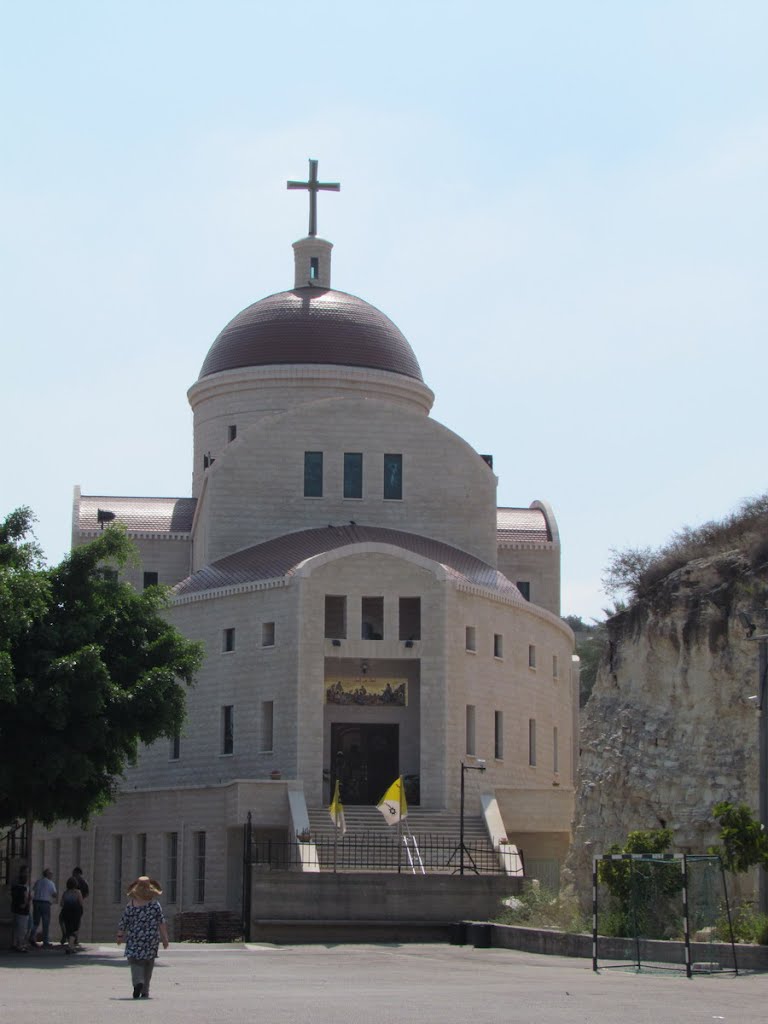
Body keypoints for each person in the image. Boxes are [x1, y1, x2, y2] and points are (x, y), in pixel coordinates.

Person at [116, 876, 170, 999]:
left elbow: (124, 922)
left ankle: (138, 982)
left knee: (135, 961)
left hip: (134, 938)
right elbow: (161, 922)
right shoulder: (155, 905)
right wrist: (165, 938)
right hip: (151, 939)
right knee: (148, 964)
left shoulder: (131, 905)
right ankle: (145, 990)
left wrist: (120, 935)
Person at [30, 868, 57, 948]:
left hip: (36, 902)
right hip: (45, 903)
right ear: (47, 874)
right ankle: (45, 942)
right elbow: (54, 894)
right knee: (45, 922)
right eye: (51, 874)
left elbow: (34, 889)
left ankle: (31, 937)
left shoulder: (38, 881)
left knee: (36, 922)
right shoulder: (50, 883)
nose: (52, 875)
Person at [59, 877, 84, 953]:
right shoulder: (78, 892)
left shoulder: (65, 893)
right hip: (75, 912)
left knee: (69, 929)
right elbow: (80, 903)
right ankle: (70, 946)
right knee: (75, 929)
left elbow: (61, 904)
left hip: (66, 912)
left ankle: (71, 946)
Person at [10, 868, 30, 952]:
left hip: (15, 910)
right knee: (22, 929)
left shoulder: (14, 888)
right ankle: (20, 946)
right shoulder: (24, 889)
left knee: (16, 928)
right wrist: (26, 903)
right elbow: (26, 898)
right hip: (23, 911)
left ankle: (14, 944)